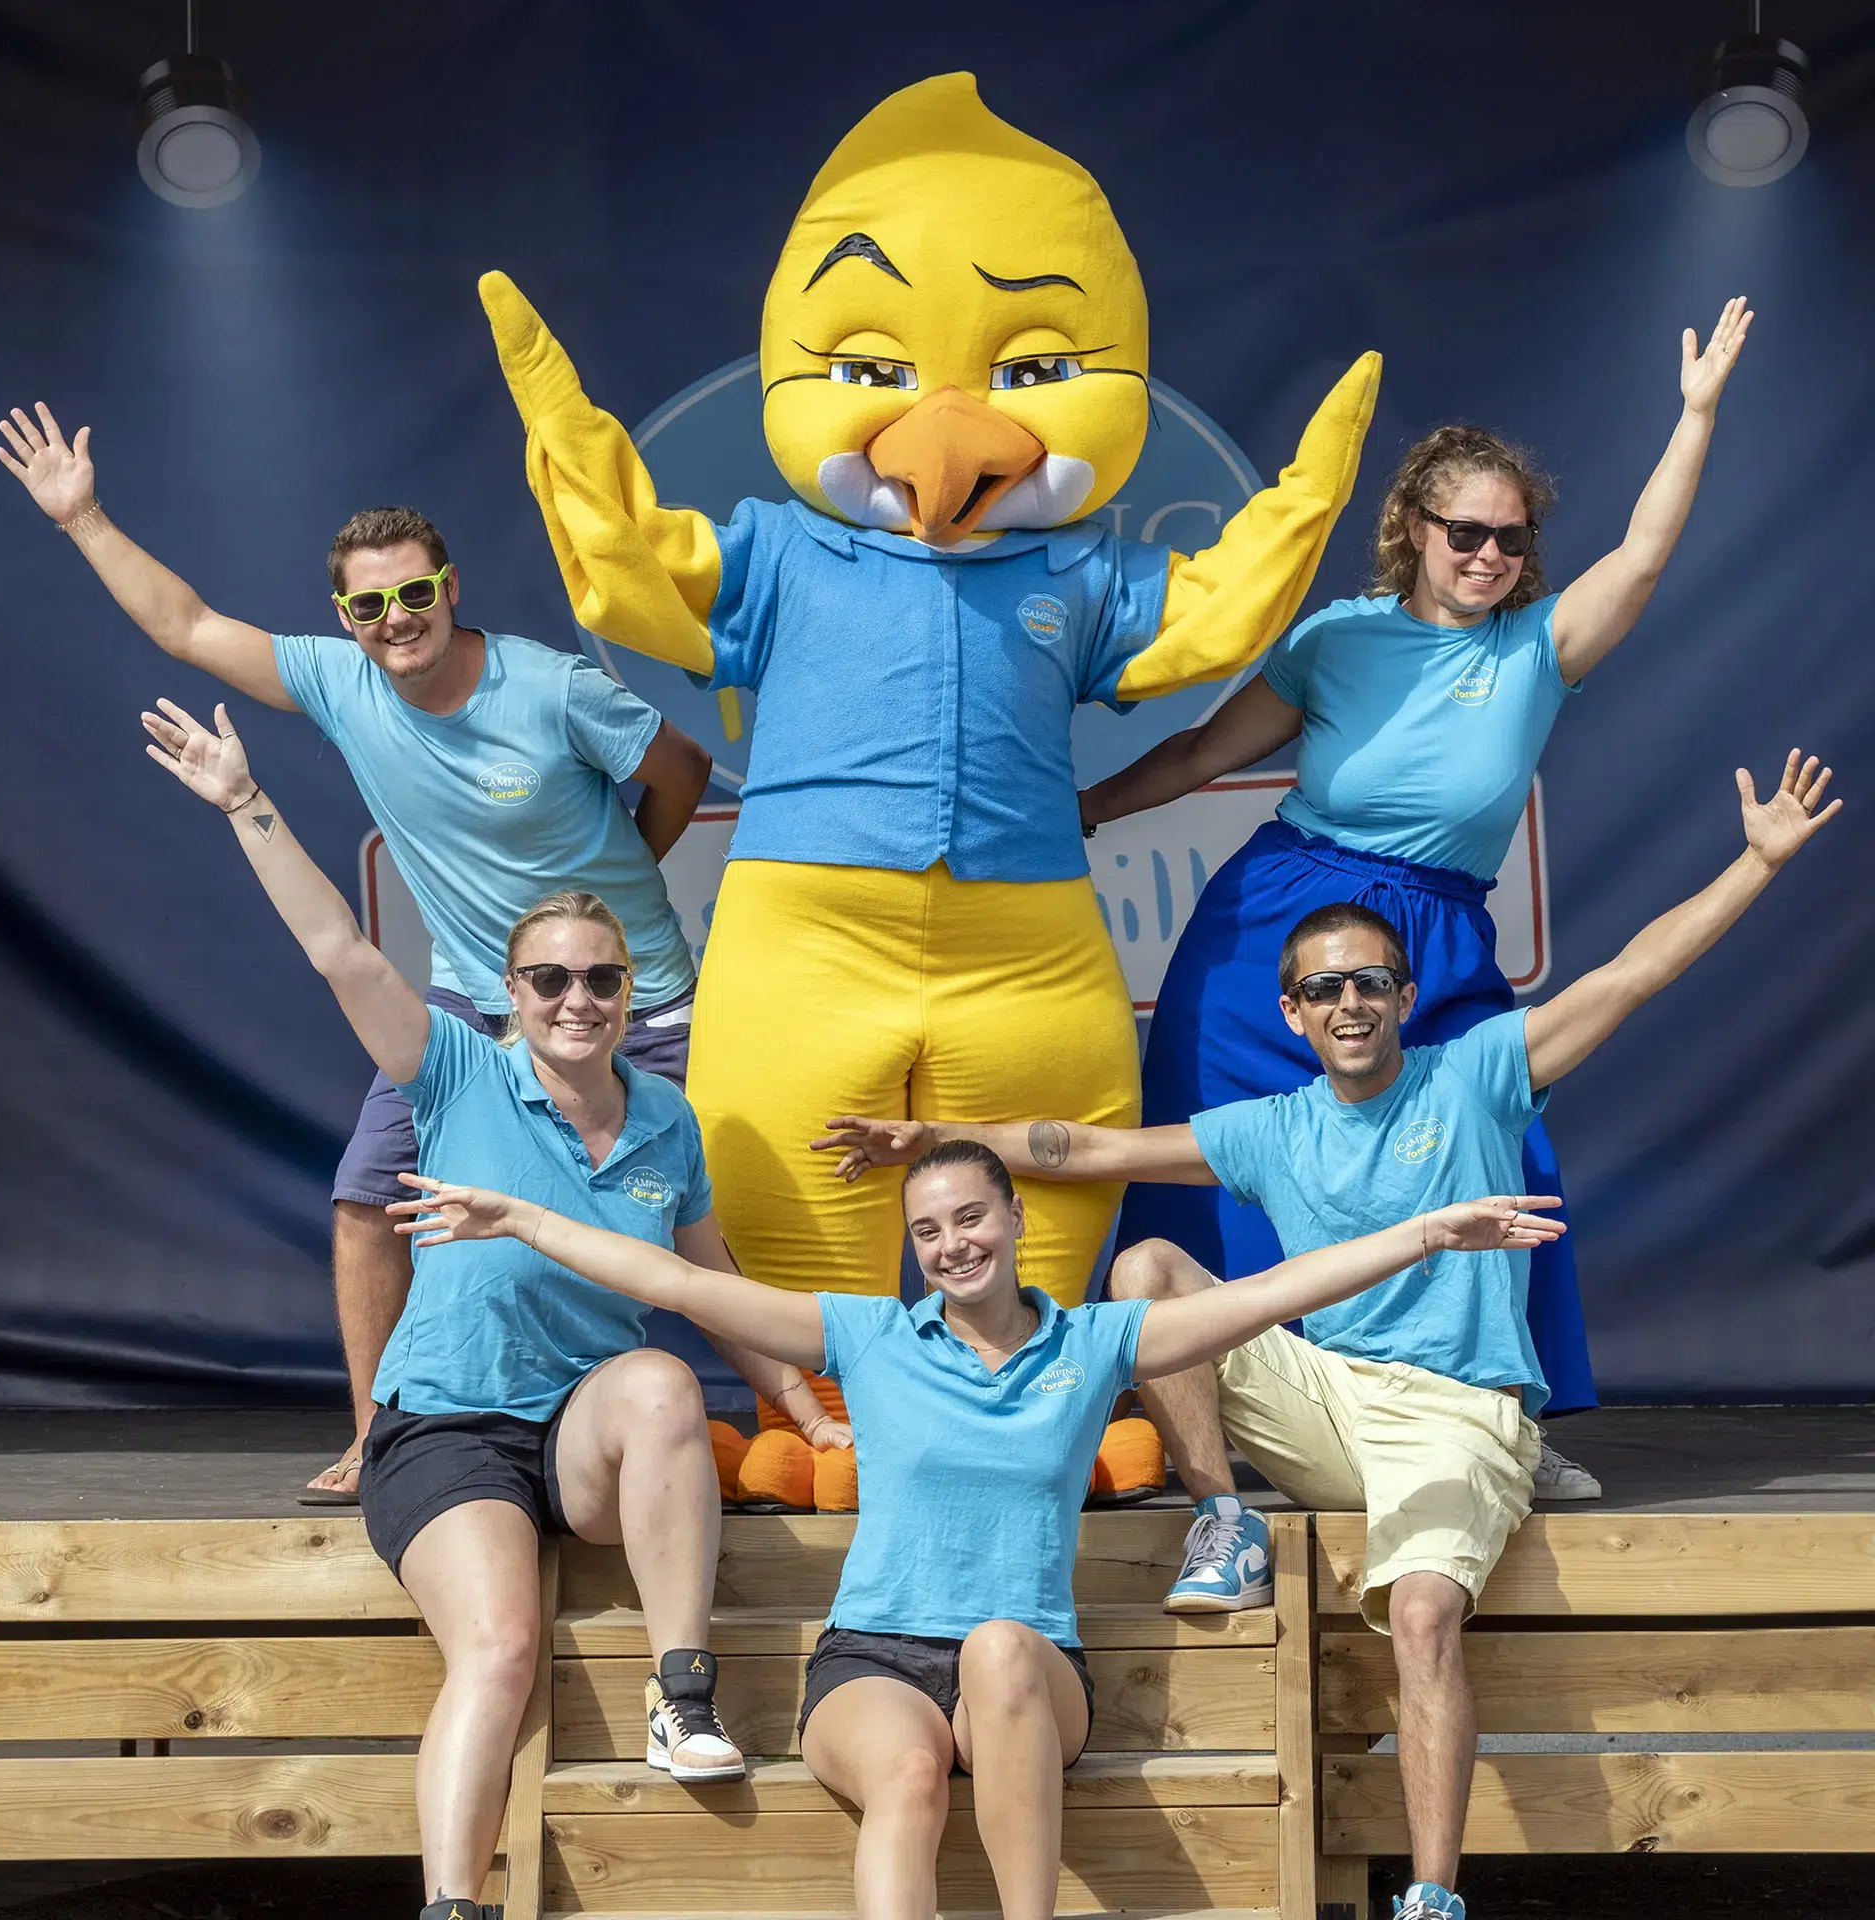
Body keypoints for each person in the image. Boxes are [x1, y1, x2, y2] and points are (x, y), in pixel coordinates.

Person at [819, 750, 1838, 1920]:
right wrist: (931, 1141)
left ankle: (1433, 1897)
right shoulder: (1275, 1125)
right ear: (1294, 1015)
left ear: (1404, 996)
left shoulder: (1476, 1075)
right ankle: (1223, 1520)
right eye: (1323, 989)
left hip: (1456, 1414)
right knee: (1147, 1270)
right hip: (1325, 1403)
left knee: (1421, 1613)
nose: (1349, 1003)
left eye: (1369, 982)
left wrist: (1757, 863)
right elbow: (1081, 1150)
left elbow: (1629, 976)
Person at [388, 1139, 1556, 1920]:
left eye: (970, 1217)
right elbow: (681, 1286)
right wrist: (523, 1219)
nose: (952, 1244)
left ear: (1013, 1216)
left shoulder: (1094, 1342)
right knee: (906, 1775)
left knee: (998, 1644)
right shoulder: (871, 1338)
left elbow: (1271, 1295)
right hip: (871, 1662)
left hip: (1029, 1674)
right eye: (929, 1230)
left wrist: (1426, 1234)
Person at [137, 698, 849, 1920]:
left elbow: (712, 1282)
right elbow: (340, 951)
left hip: (578, 1440)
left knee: (663, 1380)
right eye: (550, 979)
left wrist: (801, 1401)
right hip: (450, 1433)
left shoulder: (666, 1120)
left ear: (631, 992)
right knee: (504, 1649)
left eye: (602, 979)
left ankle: (682, 1697)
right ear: (511, 995)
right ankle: (455, 1905)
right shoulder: (457, 1069)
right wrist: (247, 803)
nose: (578, 999)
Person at [1081, 299, 1755, 1500]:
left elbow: (1645, 555)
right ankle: (1200, 1426)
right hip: (1276, 922)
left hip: (1436, 933)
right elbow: (1196, 757)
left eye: (1512, 538)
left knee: (1503, 1150)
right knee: (1212, 1151)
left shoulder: (1538, 646)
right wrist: (1077, 813)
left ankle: (1505, 1416)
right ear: (1413, 527)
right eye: (1466, 533)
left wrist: (1696, 411)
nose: (1489, 556)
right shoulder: (1335, 641)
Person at [0, 402, 720, 1504]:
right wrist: (80, 516)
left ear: (451, 588)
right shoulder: (342, 681)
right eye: (370, 604)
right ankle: (382, 1437)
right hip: (473, 1008)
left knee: (691, 1216)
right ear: (347, 615)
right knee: (367, 1200)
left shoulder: (550, 687)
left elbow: (683, 770)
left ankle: (797, 1419)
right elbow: (187, 626)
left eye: (415, 593)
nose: (396, 619)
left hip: (633, 1003)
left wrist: (608, 900)